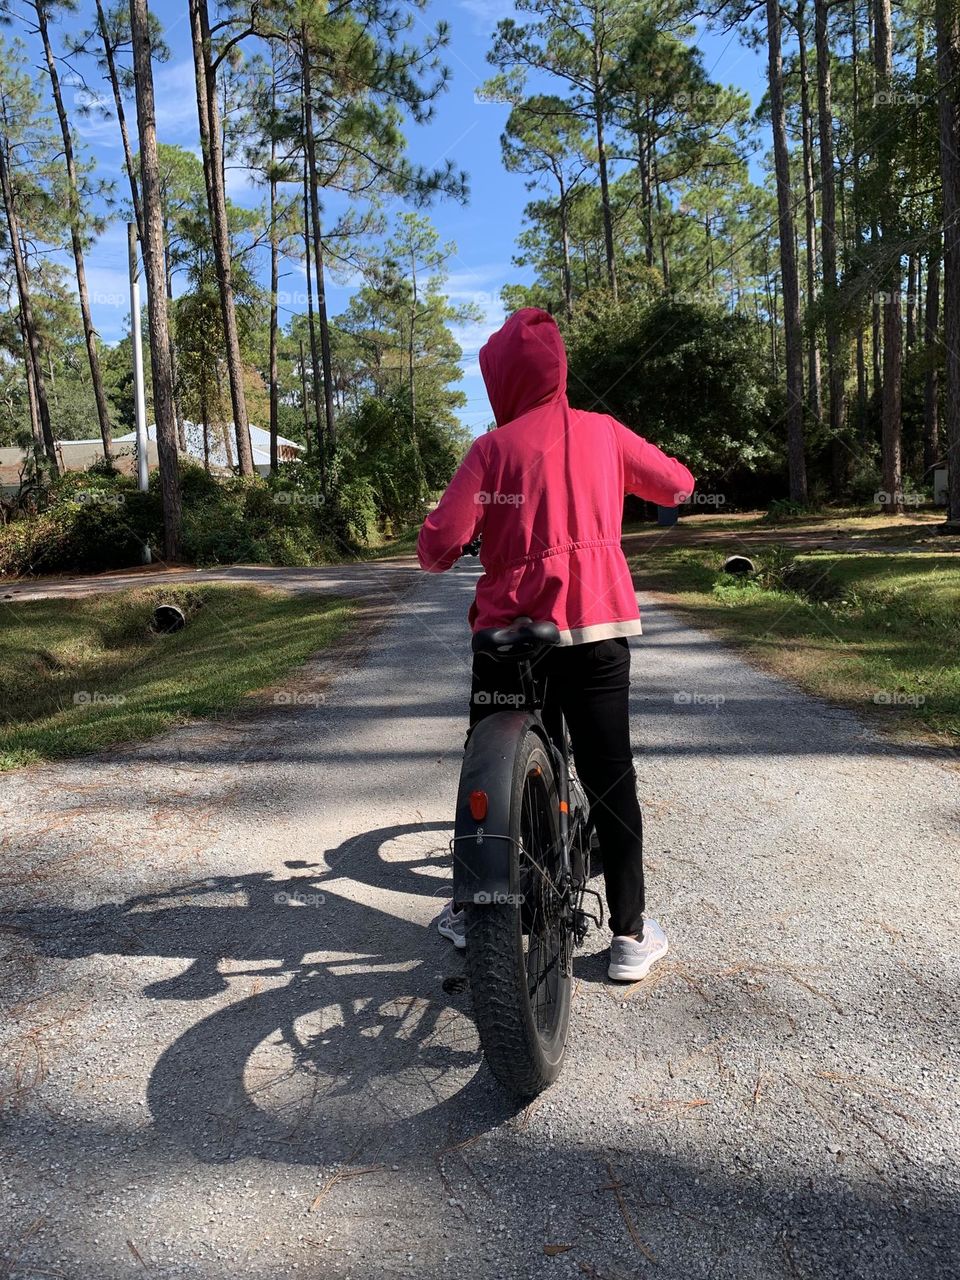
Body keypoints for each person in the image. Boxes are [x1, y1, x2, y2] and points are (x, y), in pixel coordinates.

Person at [417, 307, 694, 982]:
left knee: (485, 759)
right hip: (596, 632)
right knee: (610, 779)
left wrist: (441, 542)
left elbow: (441, 544)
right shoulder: (603, 434)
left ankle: (470, 907)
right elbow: (677, 484)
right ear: (560, 368)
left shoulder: (489, 450)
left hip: (510, 638)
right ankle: (628, 936)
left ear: (501, 382)